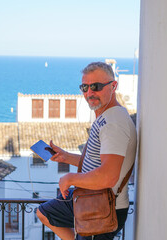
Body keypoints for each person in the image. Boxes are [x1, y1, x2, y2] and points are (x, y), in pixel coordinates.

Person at [36, 62, 137, 240]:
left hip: (102, 207)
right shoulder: (107, 117)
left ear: (113, 86)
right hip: (92, 200)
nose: (89, 93)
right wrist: (66, 157)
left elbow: (108, 176)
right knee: (44, 213)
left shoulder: (113, 123)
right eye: (85, 87)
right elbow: (97, 161)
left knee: (44, 213)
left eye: (96, 87)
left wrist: (69, 178)